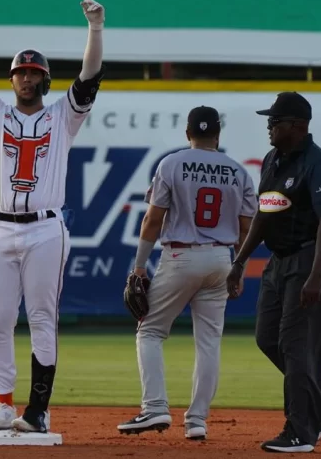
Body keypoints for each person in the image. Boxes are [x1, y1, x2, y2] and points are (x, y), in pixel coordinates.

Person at [0, 0, 106, 433]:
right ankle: (3, 404)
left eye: (34, 73)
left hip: (46, 229)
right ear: (12, 79)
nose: (27, 79)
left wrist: (95, 29)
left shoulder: (62, 117)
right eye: (21, 72)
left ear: (46, 80)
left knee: (40, 318)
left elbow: (89, 78)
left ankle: (39, 409)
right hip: (0, 228)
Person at [116, 106, 257, 441]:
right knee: (209, 343)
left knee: (149, 331)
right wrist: (239, 268)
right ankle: (197, 421)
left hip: (181, 255)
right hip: (222, 258)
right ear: (218, 135)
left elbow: (152, 220)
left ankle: (155, 407)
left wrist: (138, 266)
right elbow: (247, 229)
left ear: (187, 133)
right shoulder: (238, 172)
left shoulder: (172, 163)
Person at [226, 92, 321, 453]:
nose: (269, 126)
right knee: (268, 338)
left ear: (297, 125)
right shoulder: (272, 159)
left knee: (297, 347)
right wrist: (239, 261)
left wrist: (315, 276)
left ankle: (300, 432)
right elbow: (265, 214)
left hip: (309, 259)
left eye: (275, 121)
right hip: (279, 262)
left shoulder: (318, 164)